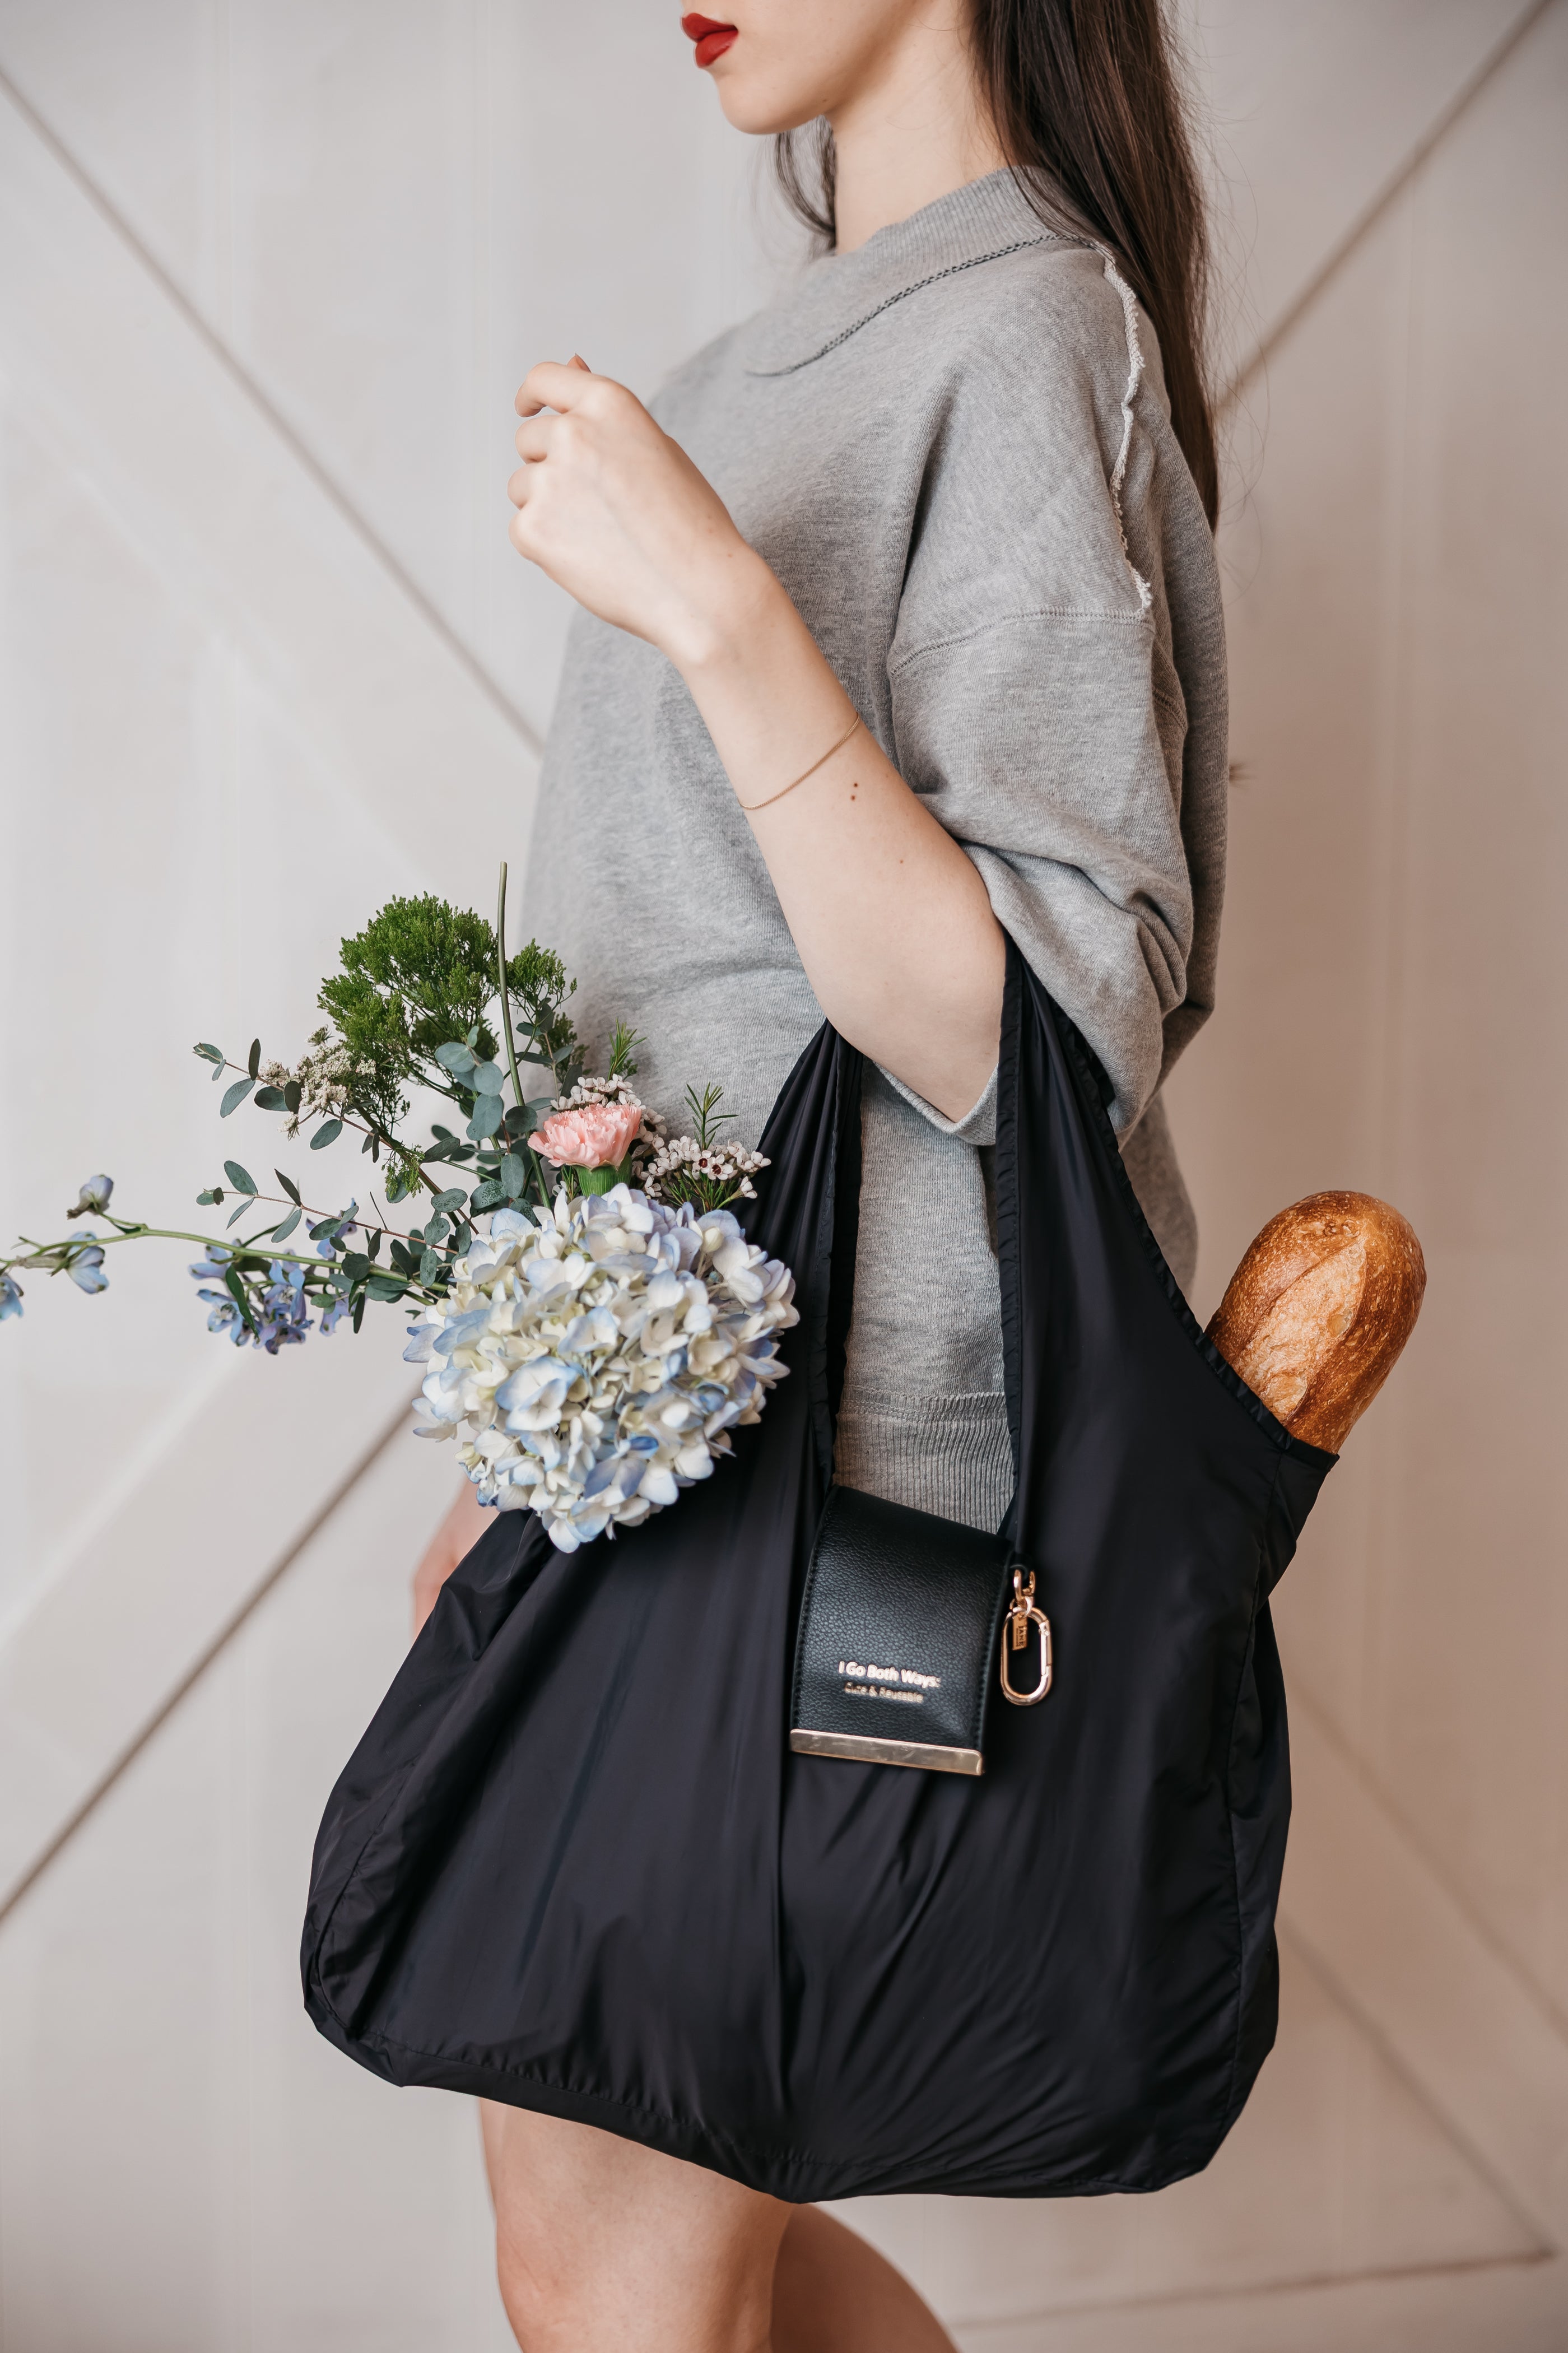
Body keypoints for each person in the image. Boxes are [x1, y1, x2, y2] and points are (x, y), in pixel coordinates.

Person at [412, 1, 1223, 2343]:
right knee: (685, 2279)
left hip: (830, 1502)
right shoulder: (812, 347)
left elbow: (1042, 1032)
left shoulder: (1030, 325)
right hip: (647, 1487)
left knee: (622, 2297)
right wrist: (520, 1447)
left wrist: (725, 613)